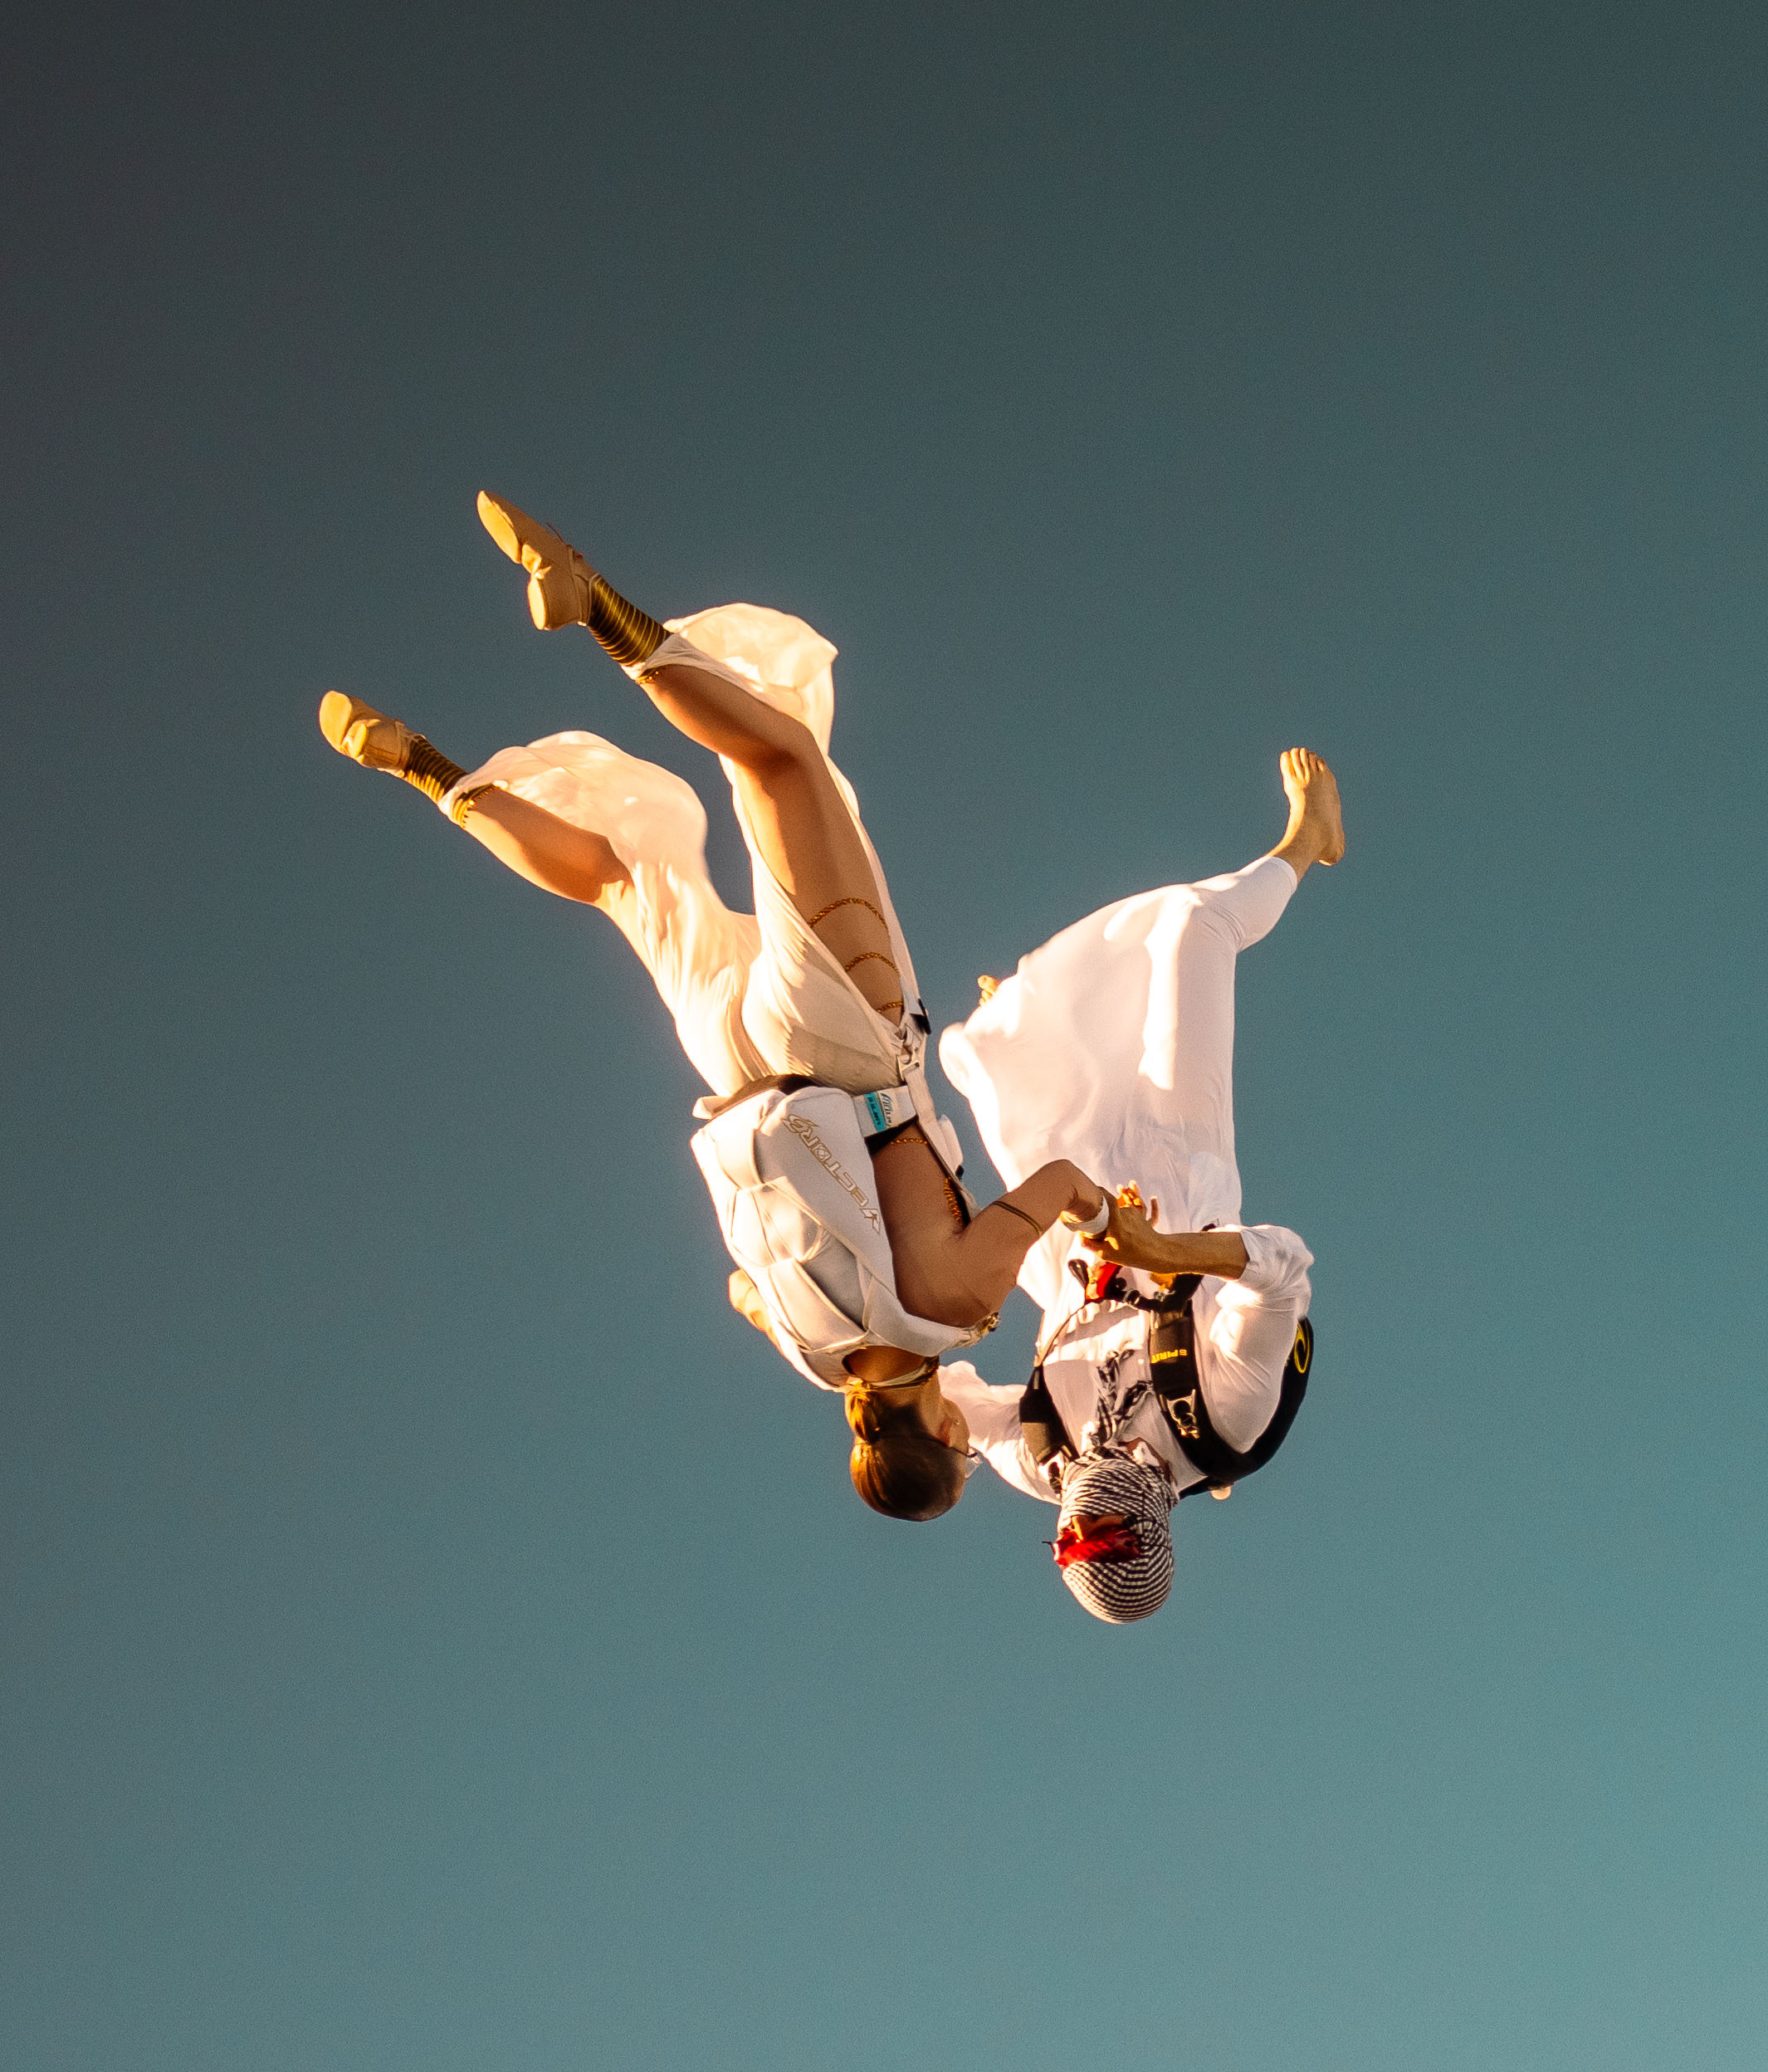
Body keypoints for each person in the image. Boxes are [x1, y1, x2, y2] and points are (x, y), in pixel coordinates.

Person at [320, 494, 1125, 1521]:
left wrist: (1116, 1237)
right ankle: (429, 770)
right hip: (734, 1067)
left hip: (854, 1044)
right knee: (623, 881)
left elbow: (1058, 1184)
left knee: (784, 764)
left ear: (947, 1437)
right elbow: (744, 1289)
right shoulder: (810, 1352)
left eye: (963, 1459)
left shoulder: (959, 1311)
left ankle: (598, 606)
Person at [931, 802, 1337, 1622]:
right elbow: (1287, 1274)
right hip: (1178, 1161)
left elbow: (937, 1402)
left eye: (1067, 1538)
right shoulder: (1221, 1425)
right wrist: (1165, 1248)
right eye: (1105, 1532)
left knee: (1001, 1041)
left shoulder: (1041, 1459)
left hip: (1059, 1199)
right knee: (1192, 928)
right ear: (1149, 1532)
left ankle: (1054, 1012)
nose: (1079, 1516)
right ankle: (1307, 844)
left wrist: (852, 1377)